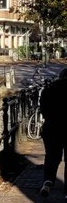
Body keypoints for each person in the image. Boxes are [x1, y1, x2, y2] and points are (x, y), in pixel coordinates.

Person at [39, 68, 67, 196]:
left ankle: (48, 181)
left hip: (51, 127)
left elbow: (43, 110)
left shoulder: (48, 90)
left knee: (51, 156)